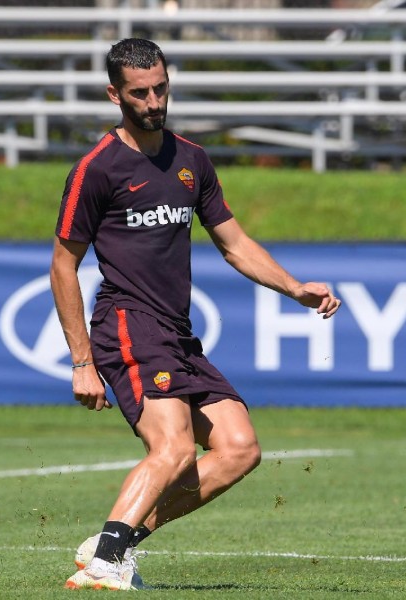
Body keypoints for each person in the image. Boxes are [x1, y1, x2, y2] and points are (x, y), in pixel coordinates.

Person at [50, 38, 341, 591]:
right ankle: (104, 566)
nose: (154, 100)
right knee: (176, 448)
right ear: (115, 95)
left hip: (177, 332)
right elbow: (64, 266)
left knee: (238, 448)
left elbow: (234, 243)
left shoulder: (191, 159)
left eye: (161, 87)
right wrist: (81, 361)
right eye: (140, 92)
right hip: (128, 324)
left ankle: (113, 545)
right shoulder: (96, 169)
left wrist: (293, 287)